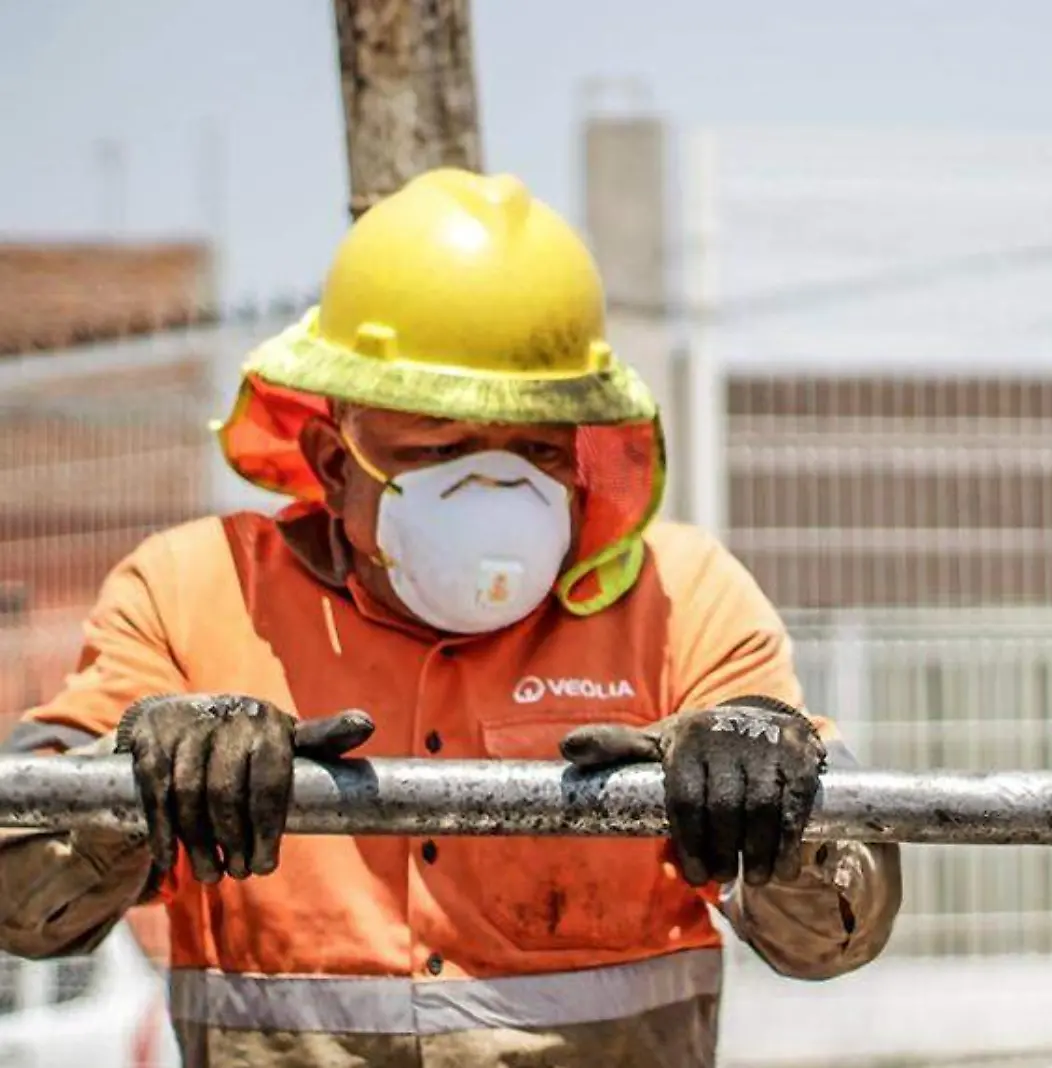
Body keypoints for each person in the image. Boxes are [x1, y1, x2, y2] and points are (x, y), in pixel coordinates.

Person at [0, 168, 900, 1067]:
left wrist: (771, 787)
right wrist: (133, 782)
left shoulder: (679, 600)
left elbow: (833, 934)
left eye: (539, 447)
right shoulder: (193, 593)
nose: (497, 487)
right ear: (334, 459)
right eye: (443, 446)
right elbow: (25, 905)